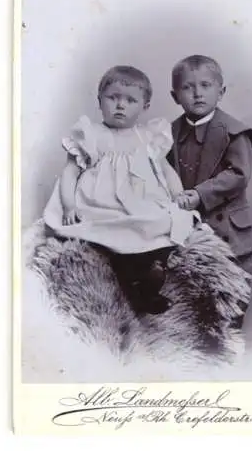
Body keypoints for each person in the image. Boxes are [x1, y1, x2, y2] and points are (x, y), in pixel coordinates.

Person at [43, 65, 199, 316]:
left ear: (145, 107)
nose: (120, 105)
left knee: (163, 220)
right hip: (98, 203)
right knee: (108, 234)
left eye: (130, 100)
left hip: (139, 201)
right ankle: (136, 283)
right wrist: (69, 205)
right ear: (99, 100)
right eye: (112, 98)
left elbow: (167, 170)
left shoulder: (146, 136)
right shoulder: (91, 134)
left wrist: (177, 194)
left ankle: (149, 278)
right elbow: (69, 173)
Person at [167, 55, 252, 327]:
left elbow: (238, 175)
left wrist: (199, 194)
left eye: (205, 85)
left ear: (221, 91)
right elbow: (163, 172)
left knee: (230, 295)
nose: (197, 93)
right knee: (189, 299)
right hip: (187, 228)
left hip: (227, 229)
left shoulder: (235, 132)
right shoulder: (169, 133)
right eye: (187, 87)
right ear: (175, 95)